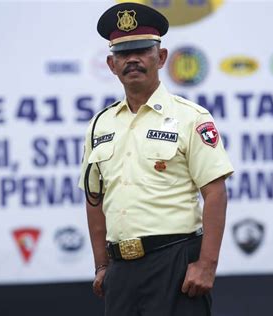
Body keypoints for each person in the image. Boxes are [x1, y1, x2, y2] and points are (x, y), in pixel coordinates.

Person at [78, 2, 234, 315]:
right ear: (111, 64)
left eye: (142, 50)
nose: (132, 60)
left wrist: (206, 265)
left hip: (175, 264)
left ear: (161, 57)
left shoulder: (191, 117)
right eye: (123, 54)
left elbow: (215, 193)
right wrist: (101, 266)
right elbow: (95, 198)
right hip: (121, 270)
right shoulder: (99, 124)